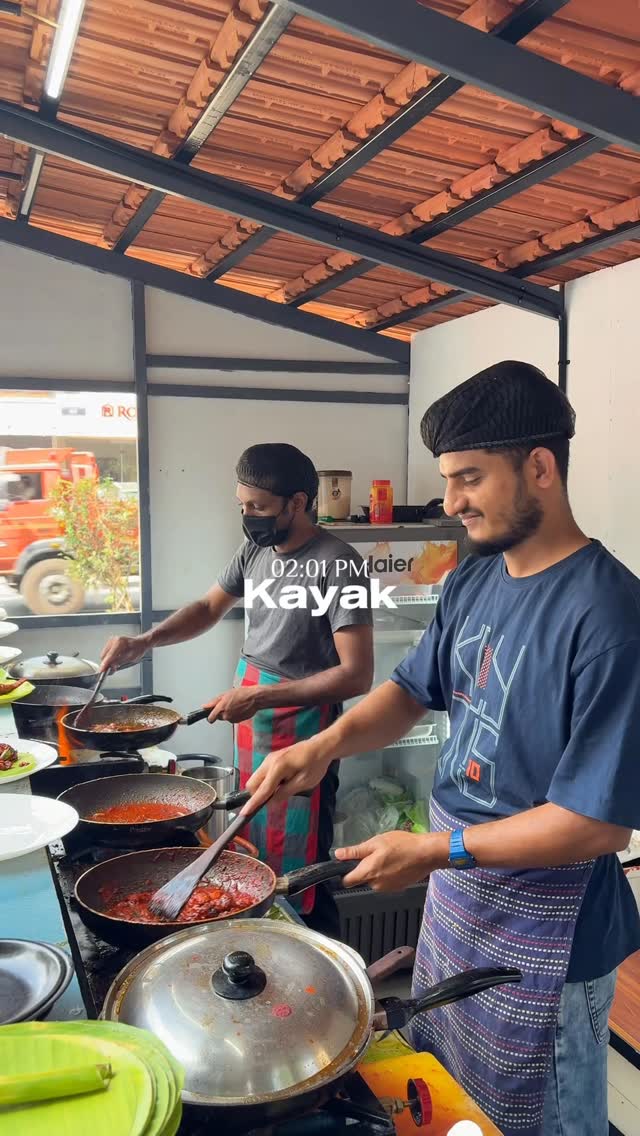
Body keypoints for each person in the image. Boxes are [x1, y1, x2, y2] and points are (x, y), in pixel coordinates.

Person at [243, 362, 640, 1136]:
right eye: (448, 480)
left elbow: (595, 825)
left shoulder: (610, 616)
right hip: (460, 898)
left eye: (469, 478)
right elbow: (408, 691)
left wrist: (435, 850)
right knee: (451, 1097)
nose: (451, 501)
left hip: (551, 932)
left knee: (546, 1121)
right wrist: (324, 746)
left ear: (540, 467)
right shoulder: (474, 581)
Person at [101, 442, 373, 937]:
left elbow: (357, 674)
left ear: (297, 502)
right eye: (243, 505)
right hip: (253, 713)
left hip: (304, 729)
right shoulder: (255, 550)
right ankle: (257, 943)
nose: (248, 517)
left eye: (259, 507)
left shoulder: (340, 563)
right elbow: (208, 608)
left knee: (302, 867)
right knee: (249, 838)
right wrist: (145, 641)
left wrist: (260, 697)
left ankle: (319, 955)